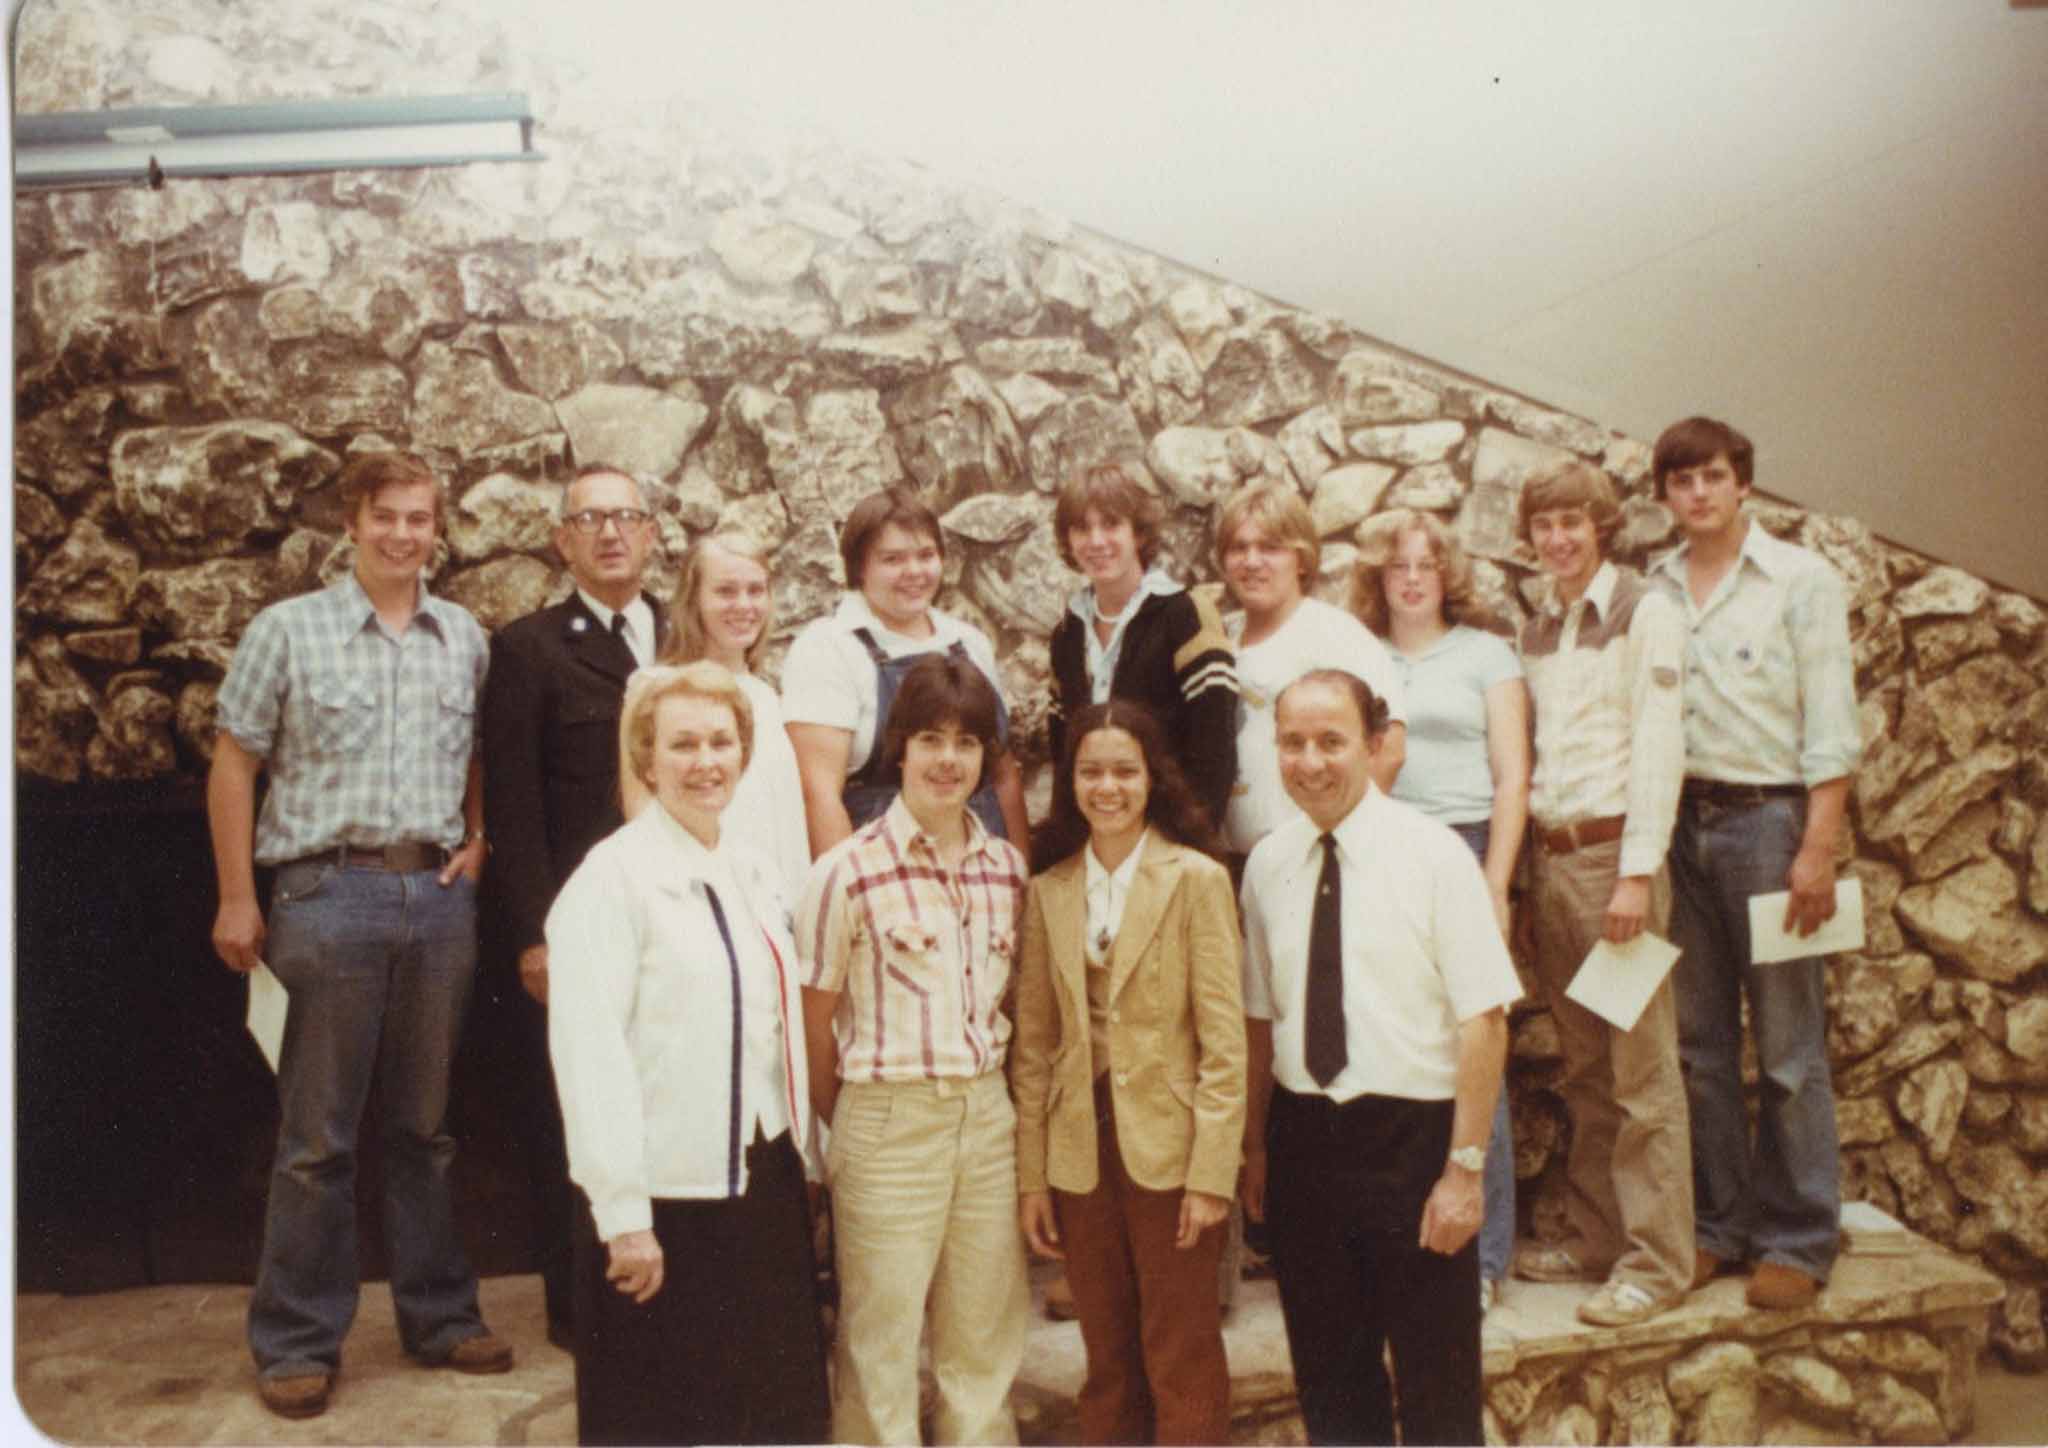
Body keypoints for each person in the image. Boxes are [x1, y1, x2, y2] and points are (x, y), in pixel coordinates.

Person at [208, 451, 509, 1419]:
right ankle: (297, 1339)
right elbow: (232, 762)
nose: (403, 534)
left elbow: (477, 753)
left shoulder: (463, 638)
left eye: (420, 518)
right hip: (325, 893)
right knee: (317, 1138)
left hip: (437, 898)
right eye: (386, 516)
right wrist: (236, 896)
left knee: (425, 1128)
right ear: (351, 523)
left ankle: (440, 1315)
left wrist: (477, 838)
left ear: (437, 529)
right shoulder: (288, 631)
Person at [545, 662, 828, 1444]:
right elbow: (591, 1058)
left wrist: (805, 1155)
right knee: (661, 1419)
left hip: (760, 1178)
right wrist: (623, 1217)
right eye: (683, 744)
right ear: (646, 759)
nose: (706, 761)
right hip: (663, 1197)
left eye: (721, 742)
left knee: (767, 1416)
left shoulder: (751, 869)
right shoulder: (611, 880)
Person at [1239, 670, 1516, 1446]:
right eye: (1292, 743)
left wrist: (1465, 1172)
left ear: (1376, 744)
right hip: (1304, 1142)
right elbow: (1260, 1020)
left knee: (1438, 1390)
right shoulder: (1266, 864)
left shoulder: (1434, 856)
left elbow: (1485, 1022)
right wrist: (1257, 1148)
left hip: (1413, 1145)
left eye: (1331, 741)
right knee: (1330, 1385)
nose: (1310, 762)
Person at [1648, 416, 1860, 1311]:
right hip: (1681, 826)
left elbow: (1833, 725)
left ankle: (1800, 1238)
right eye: (1682, 480)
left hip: (1770, 827)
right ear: (1665, 495)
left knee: (1786, 1049)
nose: (1699, 493)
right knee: (1699, 1046)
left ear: (1743, 484)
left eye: (1713, 476)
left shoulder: (1801, 581)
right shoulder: (1657, 587)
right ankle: (1718, 1227)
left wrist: (1817, 847)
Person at [796, 654, 1032, 1444]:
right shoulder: (848, 873)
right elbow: (814, 1025)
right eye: (931, 739)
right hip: (888, 1121)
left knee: (983, 1336)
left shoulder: (1006, 872)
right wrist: (861, 1119)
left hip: (986, 1120)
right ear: (900, 747)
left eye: (967, 743)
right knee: (881, 1340)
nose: (948, 760)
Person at [1012, 701, 1246, 1445]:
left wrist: (1212, 1175)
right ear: (1071, 782)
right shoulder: (1049, 890)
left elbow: (1224, 1043)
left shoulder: (1196, 879)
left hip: (1171, 1148)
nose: (1107, 787)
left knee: (1181, 1349)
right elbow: (1033, 1047)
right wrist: (1033, 1178)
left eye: (1124, 771)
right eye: (1090, 772)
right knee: (1106, 1353)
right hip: (1081, 1149)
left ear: (1152, 779)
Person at [480, 464, 663, 1348]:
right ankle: (582, 1309)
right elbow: (514, 806)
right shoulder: (531, 649)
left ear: (652, 533)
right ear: (563, 542)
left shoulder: (684, 637)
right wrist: (533, 937)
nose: (610, 533)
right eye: (590, 520)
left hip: (676, 917)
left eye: (626, 517)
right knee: (577, 1109)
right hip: (584, 924)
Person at [1512, 460, 1695, 1327]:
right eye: (1544, 525)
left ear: (1602, 527)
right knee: (1585, 1070)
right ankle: (1598, 1240)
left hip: (1613, 865)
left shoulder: (1644, 611)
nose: (1558, 539)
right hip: (1555, 867)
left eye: (1572, 522)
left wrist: (1635, 872)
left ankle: (1657, 1266)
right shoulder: (1540, 628)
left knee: (1640, 1074)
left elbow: (1659, 745)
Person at [1351, 508, 1530, 1314]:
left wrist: (1494, 882)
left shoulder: (1486, 654)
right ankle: (1398, 1245)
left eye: (1427, 564)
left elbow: (1513, 776)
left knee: (1475, 1046)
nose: (1413, 579)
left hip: (1466, 847)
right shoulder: (1361, 655)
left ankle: (1483, 1260)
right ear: (1379, 577)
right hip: (1384, 849)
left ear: (1447, 574)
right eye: (1398, 566)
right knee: (1393, 1046)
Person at [784, 488, 1029, 853]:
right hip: (883, 863)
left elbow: (1003, 775)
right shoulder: (828, 648)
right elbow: (818, 795)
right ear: (859, 567)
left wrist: (1020, 872)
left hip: (982, 860)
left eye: (926, 555)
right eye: (893, 559)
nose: (914, 571)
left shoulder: (969, 642)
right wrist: (850, 883)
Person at [1214, 480, 1407, 858]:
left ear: (1301, 559)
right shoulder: (1222, 639)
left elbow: (1389, 750)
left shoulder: (1334, 634)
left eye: (1270, 547)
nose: (1252, 561)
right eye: (1239, 547)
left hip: (1311, 856)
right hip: (1234, 861)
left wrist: (1336, 845)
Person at [1048, 462, 1239, 828]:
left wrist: (1191, 843)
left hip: (1171, 837)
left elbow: (1215, 749)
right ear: (1068, 541)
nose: (1096, 541)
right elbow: (1063, 757)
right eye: (1082, 528)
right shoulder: (1066, 635)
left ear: (1138, 533)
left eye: (1110, 524)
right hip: (1096, 839)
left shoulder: (1185, 614)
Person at [619, 533, 808, 897]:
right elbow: (641, 811)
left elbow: (784, 820)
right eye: (725, 591)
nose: (744, 605)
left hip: (773, 899)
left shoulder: (766, 696)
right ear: (694, 600)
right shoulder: (654, 688)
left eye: (756, 590)